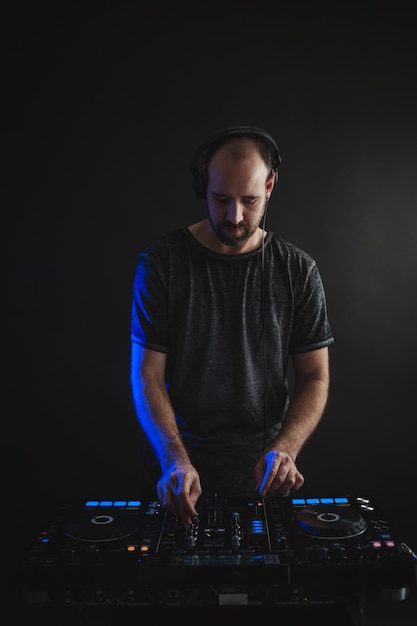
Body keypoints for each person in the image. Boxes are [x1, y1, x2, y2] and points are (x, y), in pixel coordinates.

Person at [130, 126, 334, 530]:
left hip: (267, 483)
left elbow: (315, 377)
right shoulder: (161, 264)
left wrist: (286, 449)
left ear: (270, 186)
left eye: (250, 200)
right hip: (179, 480)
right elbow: (146, 375)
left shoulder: (297, 270)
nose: (235, 216)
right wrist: (174, 459)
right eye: (221, 199)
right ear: (203, 185)